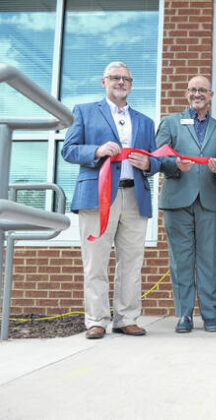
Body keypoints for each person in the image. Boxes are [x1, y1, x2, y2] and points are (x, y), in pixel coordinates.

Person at [61, 61, 161, 339]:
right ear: (103, 82)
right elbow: (68, 150)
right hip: (98, 196)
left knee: (131, 262)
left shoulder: (145, 120)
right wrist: (97, 150)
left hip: (135, 196)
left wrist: (148, 164)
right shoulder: (84, 112)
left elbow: (156, 160)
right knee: (95, 261)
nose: (121, 82)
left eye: (126, 78)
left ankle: (126, 318)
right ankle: (96, 320)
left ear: (131, 84)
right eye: (115, 77)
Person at [156, 76, 216, 333]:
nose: (197, 94)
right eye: (192, 90)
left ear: (210, 95)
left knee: (209, 259)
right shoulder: (170, 123)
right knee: (181, 260)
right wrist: (173, 166)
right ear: (187, 94)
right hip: (177, 200)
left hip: (210, 200)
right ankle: (184, 315)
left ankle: (210, 314)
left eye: (202, 90)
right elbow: (157, 157)